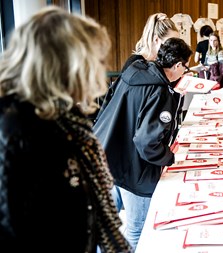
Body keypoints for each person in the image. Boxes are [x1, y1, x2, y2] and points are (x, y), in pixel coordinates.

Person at [0, 6, 131, 253]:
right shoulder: (13, 128)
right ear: (63, 66)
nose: (97, 71)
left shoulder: (67, 117)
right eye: (92, 62)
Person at [93, 38, 193, 249]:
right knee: (137, 228)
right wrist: (169, 157)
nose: (184, 72)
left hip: (108, 154)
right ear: (177, 66)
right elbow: (146, 142)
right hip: (133, 168)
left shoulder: (134, 70)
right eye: (185, 67)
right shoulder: (159, 91)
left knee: (106, 225)